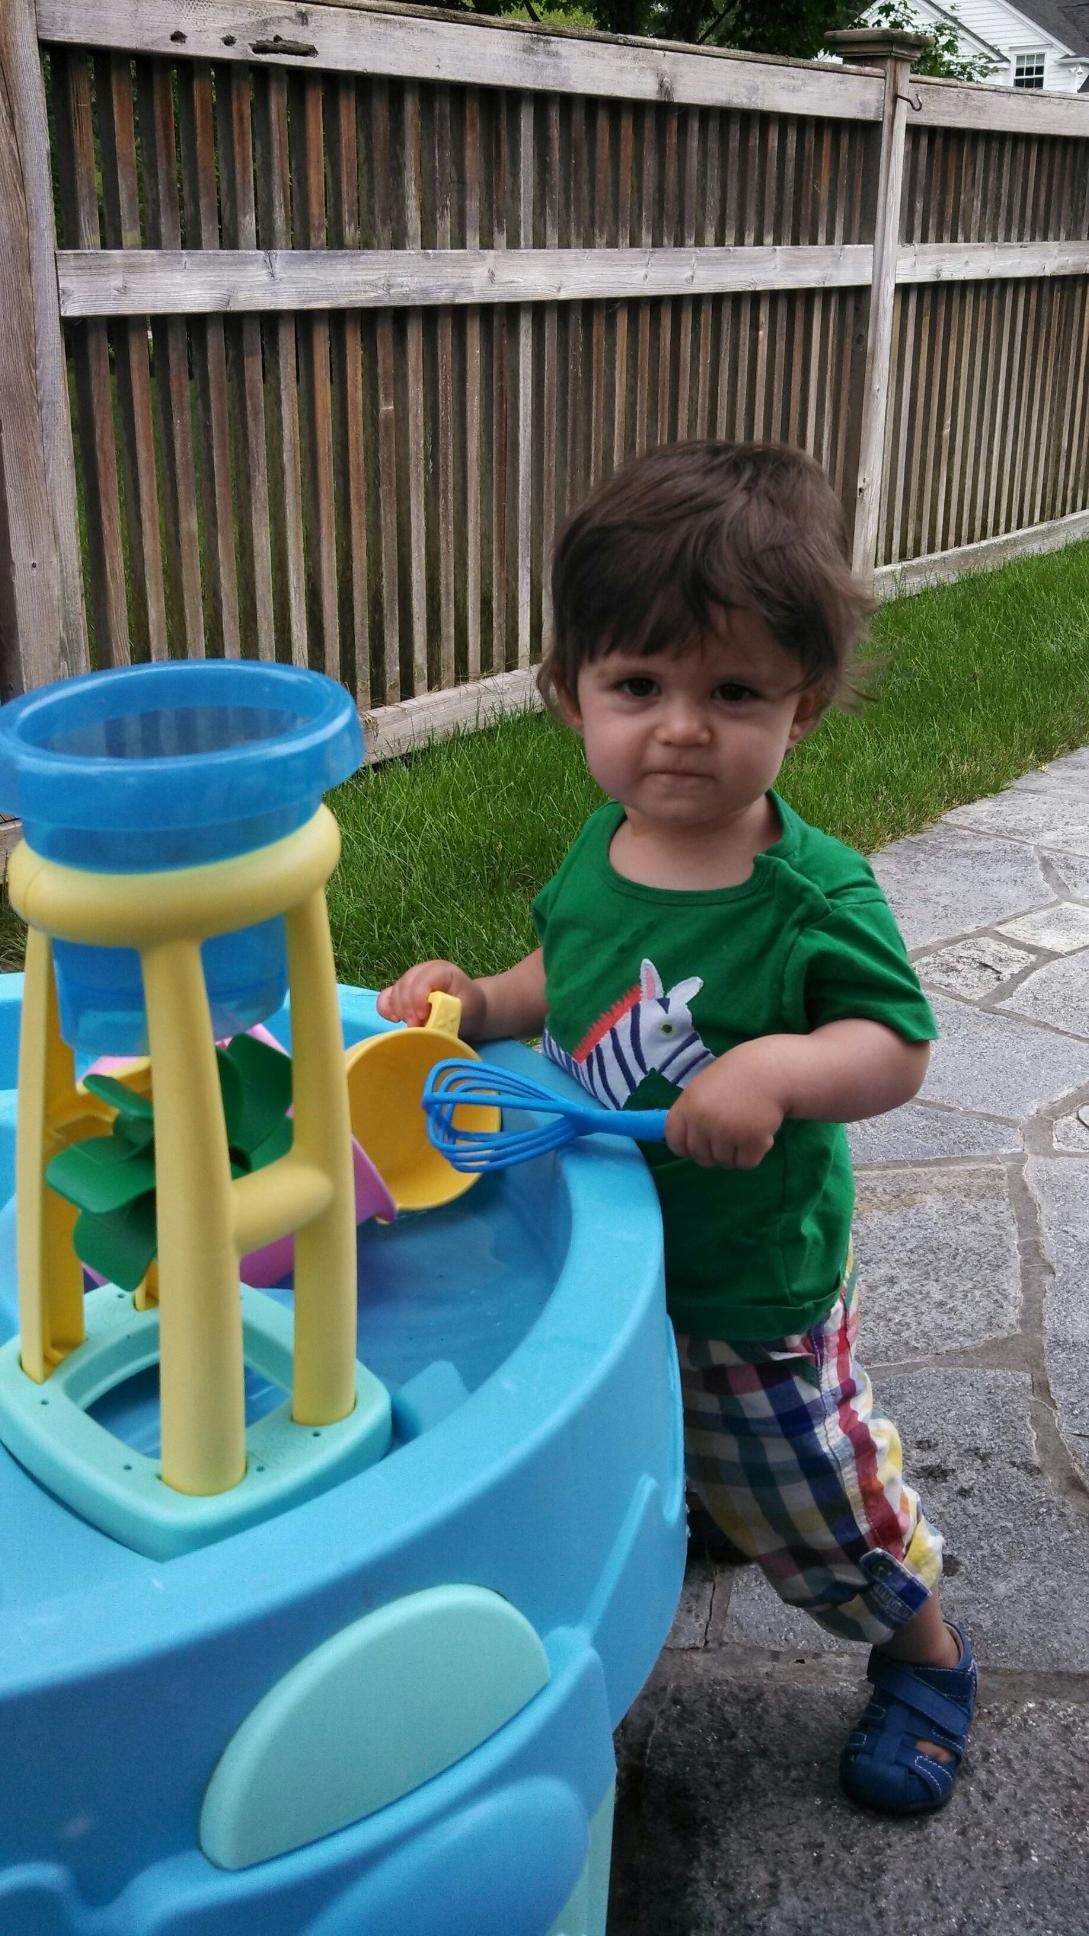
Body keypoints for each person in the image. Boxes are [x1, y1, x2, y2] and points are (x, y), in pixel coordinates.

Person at [378, 440, 976, 1814]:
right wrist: (482, 1003)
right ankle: (704, 1497)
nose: (683, 729)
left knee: (816, 1494)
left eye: (733, 692)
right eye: (639, 687)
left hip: (745, 1275)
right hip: (615, 1243)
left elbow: (896, 1049)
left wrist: (778, 1066)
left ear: (802, 708)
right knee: (649, 1421)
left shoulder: (810, 896)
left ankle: (925, 1653)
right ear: (569, 693)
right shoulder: (604, 846)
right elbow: (568, 975)